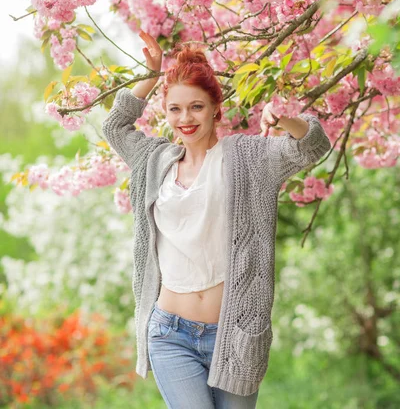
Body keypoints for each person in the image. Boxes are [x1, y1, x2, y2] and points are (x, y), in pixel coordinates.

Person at [102, 30, 332, 409]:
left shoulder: (247, 158)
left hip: (236, 332)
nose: (185, 118)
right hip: (169, 333)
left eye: (196, 107)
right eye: (175, 109)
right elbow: (115, 127)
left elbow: (314, 146)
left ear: (215, 108)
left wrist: (287, 116)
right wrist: (151, 73)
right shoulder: (155, 160)